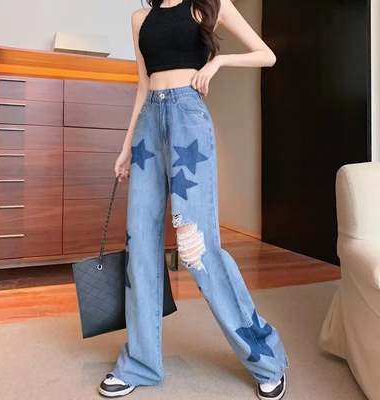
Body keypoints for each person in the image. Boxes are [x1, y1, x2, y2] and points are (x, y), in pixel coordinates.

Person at [98, 0, 289, 399]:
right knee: (140, 245)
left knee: (198, 248)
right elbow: (142, 85)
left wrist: (218, 62)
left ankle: (265, 357)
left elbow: (266, 55)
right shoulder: (140, 18)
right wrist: (126, 147)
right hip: (148, 129)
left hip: (188, 121)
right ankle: (140, 363)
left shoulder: (209, 5)